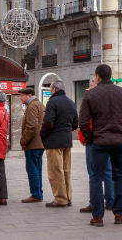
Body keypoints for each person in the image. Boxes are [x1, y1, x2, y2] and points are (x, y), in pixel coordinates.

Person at [79, 64, 122, 227]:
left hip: (99, 142)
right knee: (119, 178)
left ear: (98, 76)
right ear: (110, 75)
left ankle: (98, 216)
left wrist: (90, 138)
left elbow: (83, 121)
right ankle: (120, 214)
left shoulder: (91, 95)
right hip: (119, 142)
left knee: (96, 177)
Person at [41, 80, 78, 208]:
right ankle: (68, 197)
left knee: (55, 171)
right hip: (67, 140)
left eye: (51, 89)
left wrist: (43, 134)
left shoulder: (52, 102)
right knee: (66, 170)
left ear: (54, 90)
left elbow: (48, 123)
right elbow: (75, 123)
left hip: (54, 141)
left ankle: (60, 199)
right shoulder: (71, 102)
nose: (50, 92)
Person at [18, 87, 46, 203]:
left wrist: (24, 141)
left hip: (33, 143)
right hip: (40, 143)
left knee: (32, 169)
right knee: (37, 169)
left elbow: (32, 126)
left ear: (29, 95)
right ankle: (38, 193)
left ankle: (36, 194)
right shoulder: (40, 104)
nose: (20, 98)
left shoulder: (32, 106)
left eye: (22, 96)